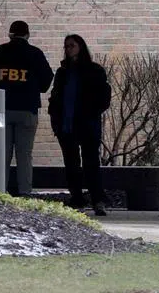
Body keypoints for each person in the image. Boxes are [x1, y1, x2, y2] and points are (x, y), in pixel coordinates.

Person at [0, 20, 54, 197]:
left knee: (1, 153)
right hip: (27, 109)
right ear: (27, 35)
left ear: (10, 34)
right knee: (24, 154)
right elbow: (46, 80)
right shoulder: (35, 54)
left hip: (0, 109)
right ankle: (25, 192)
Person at [48, 33, 111, 216]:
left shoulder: (94, 70)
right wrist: (55, 119)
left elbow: (103, 96)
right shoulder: (63, 72)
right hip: (67, 125)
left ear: (80, 47)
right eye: (66, 46)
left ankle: (97, 199)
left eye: (72, 46)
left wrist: (92, 112)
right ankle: (77, 198)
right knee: (71, 164)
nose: (68, 49)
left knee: (91, 163)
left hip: (87, 125)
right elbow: (56, 97)